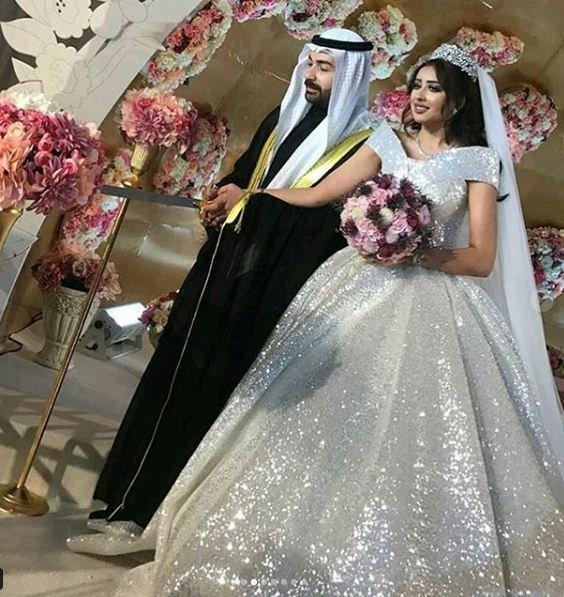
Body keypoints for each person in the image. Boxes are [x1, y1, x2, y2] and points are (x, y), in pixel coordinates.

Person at [70, 45, 564, 595]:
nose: (420, 96)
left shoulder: (477, 162)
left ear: (458, 101)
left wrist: (412, 249)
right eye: (417, 84)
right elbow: (319, 193)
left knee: (415, 426)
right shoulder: (386, 142)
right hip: (354, 287)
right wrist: (253, 193)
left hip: (434, 302)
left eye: (433, 88)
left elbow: (479, 258)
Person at [87, 29, 375, 533]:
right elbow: (244, 176)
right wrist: (225, 195)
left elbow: (329, 226)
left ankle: (168, 515)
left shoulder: (363, 146)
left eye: (325, 68)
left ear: (351, 76)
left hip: (275, 292)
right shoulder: (281, 116)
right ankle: (127, 495)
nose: (310, 76)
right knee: (177, 372)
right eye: (310, 63)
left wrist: (253, 205)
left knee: (221, 393)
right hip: (224, 266)